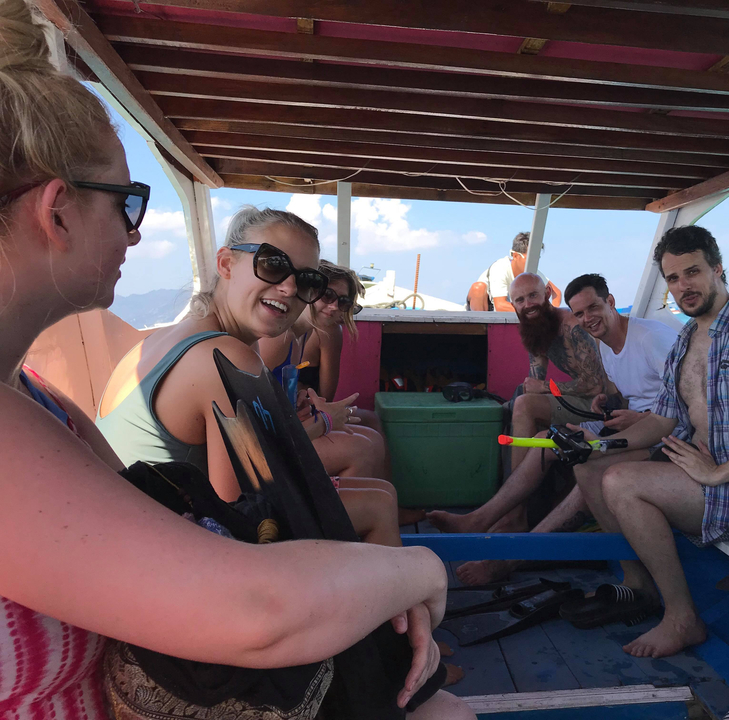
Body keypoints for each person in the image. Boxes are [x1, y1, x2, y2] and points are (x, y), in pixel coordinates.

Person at [0, 2, 473, 718]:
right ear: (57, 211)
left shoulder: (36, 399)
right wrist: (414, 569)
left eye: (308, 280)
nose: (135, 234)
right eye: (127, 202)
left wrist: (366, 582)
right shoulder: (214, 360)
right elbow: (253, 562)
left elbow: (173, 518)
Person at [568, 225, 729, 659]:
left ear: (718, 270)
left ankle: (682, 618)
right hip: (704, 476)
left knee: (624, 483)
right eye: (673, 278)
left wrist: (717, 471)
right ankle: (637, 584)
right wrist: (601, 445)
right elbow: (662, 419)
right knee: (590, 469)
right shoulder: (686, 339)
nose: (684, 286)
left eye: (693, 272)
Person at [98, 207, 403, 548]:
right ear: (226, 264)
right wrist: (322, 425)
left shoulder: (161, 340)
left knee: (380, 496)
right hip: (168, 548)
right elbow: (245, 512)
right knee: (379, 505)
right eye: (273, 264)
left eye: (307, 280)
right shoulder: (226, 355)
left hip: (135, 529)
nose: (289, 288)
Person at [428, 274, 677, 580]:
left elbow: (685, 403)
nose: (586, 319)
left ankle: (512, 558)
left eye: (592, 309)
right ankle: (485, 518)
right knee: (547, 439)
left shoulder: (650, 339)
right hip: (623, 422)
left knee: (587, 467)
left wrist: (637, 416)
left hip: (657, 434)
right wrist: (607, 399)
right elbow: (618, 391)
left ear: (611, 303)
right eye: (581, 313)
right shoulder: (603, 342)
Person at [258, 259, 390, 481]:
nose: (335, 307)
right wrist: (322, 421)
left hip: (285, 430)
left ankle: (371, 504)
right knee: (364, 447)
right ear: (308, 290)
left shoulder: (297, 339)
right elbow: (251, 414)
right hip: (266, 450)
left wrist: (299, 404)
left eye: (345, 302)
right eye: (327, 295)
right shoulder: (279, 338)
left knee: (371, 438)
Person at [507, 272, 610, 467]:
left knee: (524, 406)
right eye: (520, 300)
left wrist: (544, 387)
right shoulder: (536, 328)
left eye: (533, 295)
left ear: (547, 293)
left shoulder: (572, 326)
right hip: (577, 400)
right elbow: (533, 384)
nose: (528, 305)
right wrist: (534, 389)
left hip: (600, 404)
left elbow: (596, 386)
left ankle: (517, 488)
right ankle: (527, 485)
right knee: (516, 403)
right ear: (514, 305)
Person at [466, 231, 561, 311]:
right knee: (478, 288)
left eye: (537, 258)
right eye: (531, 258)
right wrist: (533, 311)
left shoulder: (531, 269)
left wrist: (552, 312)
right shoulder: (500, 268)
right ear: (515, 256)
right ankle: (480, 330)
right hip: (488, 306)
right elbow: (500, 306)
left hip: (517, 308)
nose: (535, 262)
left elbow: (556, 292)